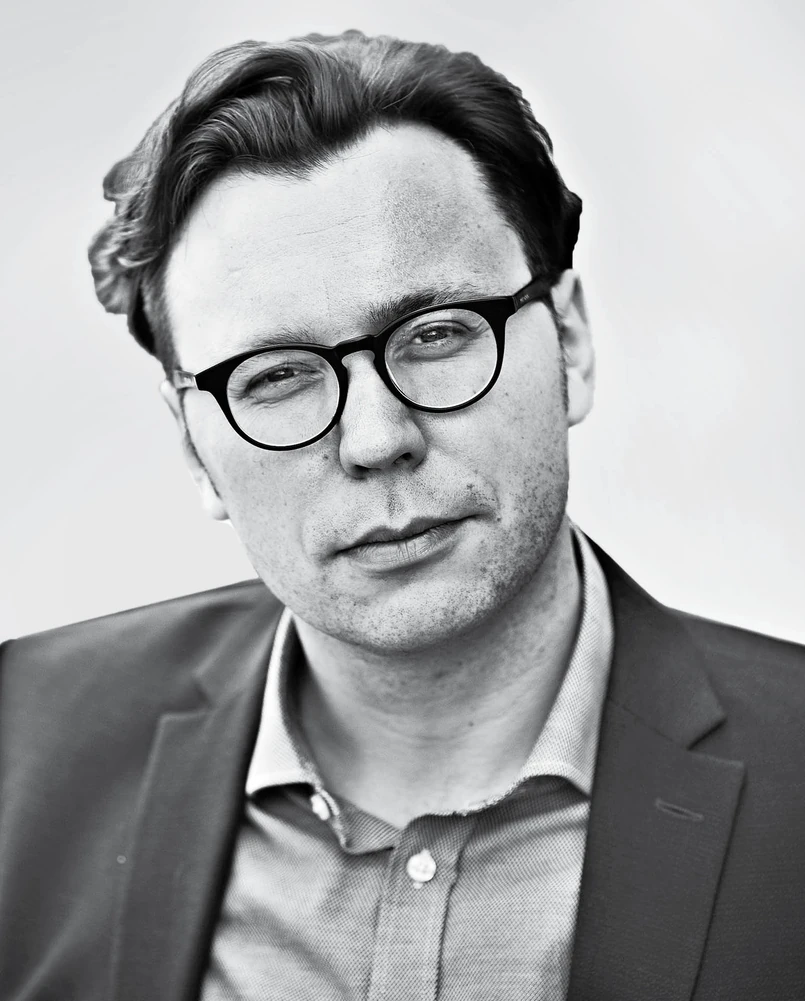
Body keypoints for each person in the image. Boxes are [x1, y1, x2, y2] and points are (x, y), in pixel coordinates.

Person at [1, 28, 804, 1001]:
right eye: (276, 377)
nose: (376, 437)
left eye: (434, 335)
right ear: (193, 446)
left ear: (571, 340)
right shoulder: (17, 747)